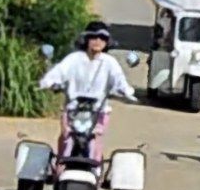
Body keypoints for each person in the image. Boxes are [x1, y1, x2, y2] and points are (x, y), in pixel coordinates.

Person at [39, 21, 136, 167]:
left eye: (102, 38)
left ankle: (95, 169)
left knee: (95, 137)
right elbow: (59, 71)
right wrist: (49, 82)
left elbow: (118, 78)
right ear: (85, 39)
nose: (97, 41)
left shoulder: (109, 62)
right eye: (93, 37)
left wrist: (125, 90)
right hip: (73, 109)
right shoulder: (74, 59)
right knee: (66, 136)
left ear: (107, 42)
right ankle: (60, 167)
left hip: (98, 111)